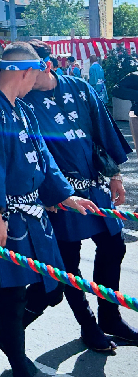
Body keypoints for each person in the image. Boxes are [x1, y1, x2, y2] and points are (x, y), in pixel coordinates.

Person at [0, 42, 97, 377]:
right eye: (35, 75)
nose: (36, 81)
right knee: (12, 296)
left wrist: (64, 194)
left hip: (34, 213)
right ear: (23, 72)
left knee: (51, 288)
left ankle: (9, 338)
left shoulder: (21, 109)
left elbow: (44, 157)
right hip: (4, 215)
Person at [23, 40, 137, 351]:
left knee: (113, 246)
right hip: (56, 194)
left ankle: (109, 316)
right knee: (68, 264)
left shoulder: (79, 88)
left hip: (94, 185)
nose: (22, 76)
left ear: (47, 65)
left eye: (27, 68)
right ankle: (87, 325)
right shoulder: (20, 101)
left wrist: (115, 175)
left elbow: (104, 132)